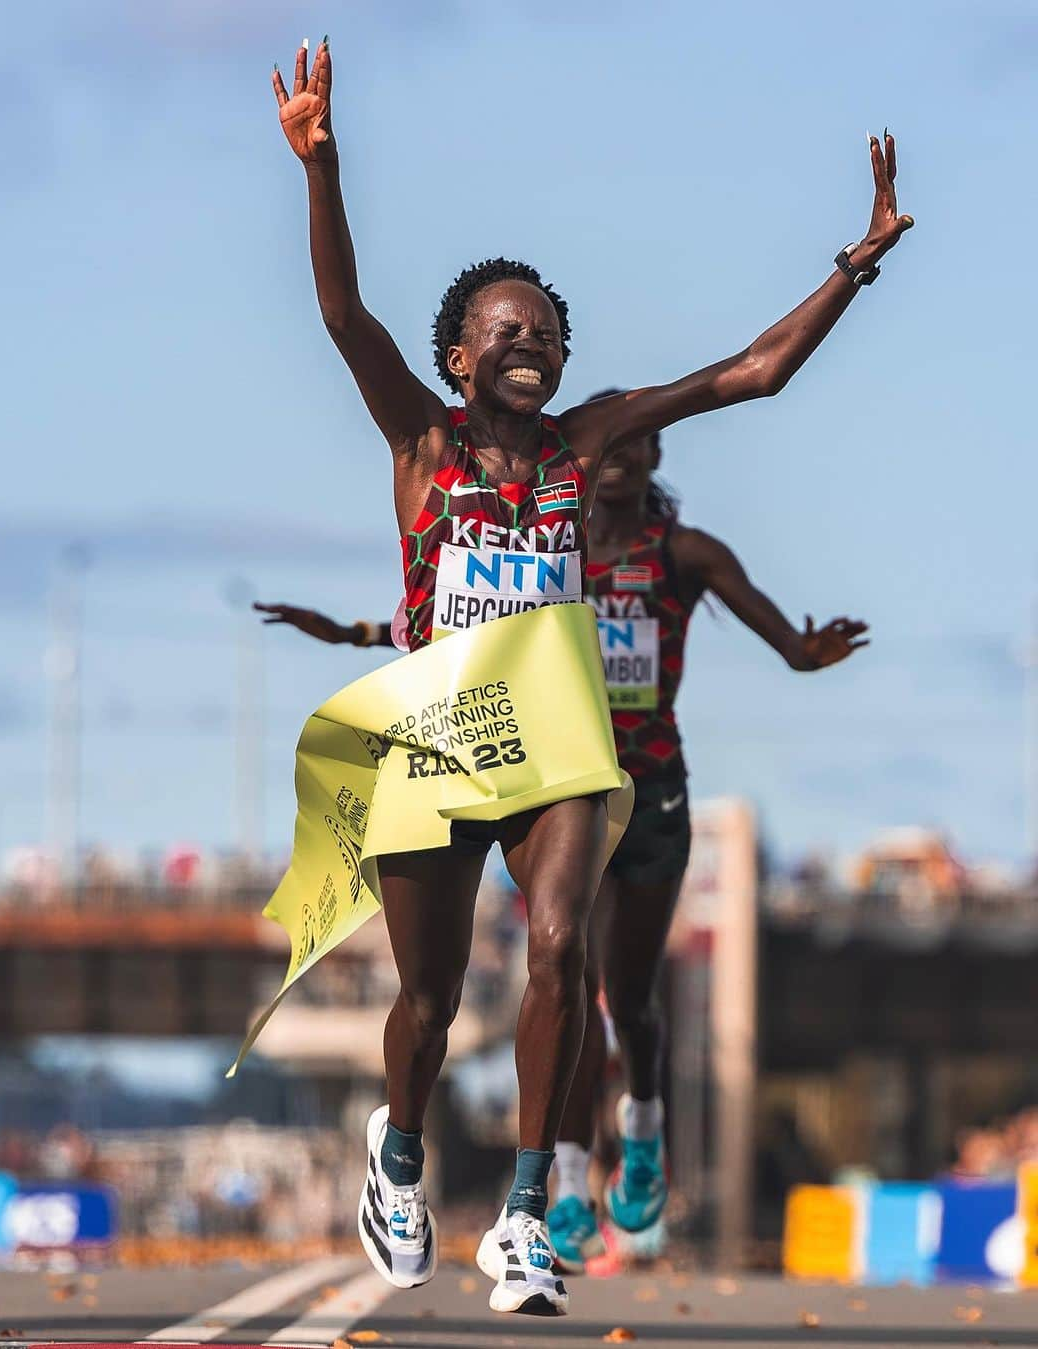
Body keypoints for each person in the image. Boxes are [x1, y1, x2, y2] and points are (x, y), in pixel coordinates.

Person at [269, 31, 911, 1315]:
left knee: (561, 946)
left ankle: (523, 1214)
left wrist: (855, 263)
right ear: (459, 354)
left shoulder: (588, 439)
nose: (533, 347)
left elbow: (752, 373)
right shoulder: (423, 437)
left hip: (561, 744)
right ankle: (397, 1158)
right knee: (429, 998)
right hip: (440, 737)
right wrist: (321, 166)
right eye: (509, 331)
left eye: (549, 334)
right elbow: (342, 314)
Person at [256, 407, 868, 1269]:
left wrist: (806, 650)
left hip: (645, 787)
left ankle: (638, 1126)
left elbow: (784, 641)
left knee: (630, 995)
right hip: (547, 767)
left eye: (633, 445)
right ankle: (565, 1179)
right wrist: (357, 632)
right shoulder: (550, 527)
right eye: (605, 446)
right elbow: (461, 618)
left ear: (653, 456)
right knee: (559, 964)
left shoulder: (684, 556)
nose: (614, 458)